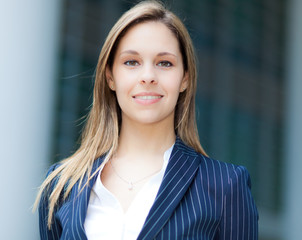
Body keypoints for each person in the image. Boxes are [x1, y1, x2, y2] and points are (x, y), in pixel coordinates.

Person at [34, 1, 258, 239]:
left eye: (165, 63)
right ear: (111, 76)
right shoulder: (61, 185)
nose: (148, 76)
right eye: (131, 62)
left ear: (185, 79)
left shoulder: (225, 186)